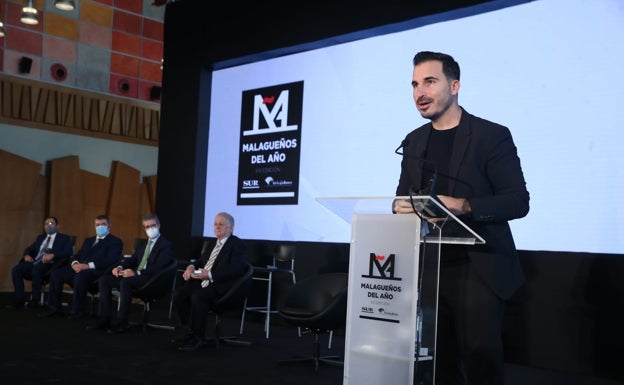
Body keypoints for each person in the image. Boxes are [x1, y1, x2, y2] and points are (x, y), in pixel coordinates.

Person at [393, 51, 529, 385]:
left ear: (455, 86)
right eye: (414, 84)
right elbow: (401, 197)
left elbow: (517, 201)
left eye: (429, 81)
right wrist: (401, 207)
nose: (419, 92)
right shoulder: (413, 141)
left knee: (481, 362)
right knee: (438, 364)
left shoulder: (491, 135)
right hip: (430, 268)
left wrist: (463, 205)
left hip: (479, 267)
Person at [172, 212, 247, 351]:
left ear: (231, 228)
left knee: (198, 296)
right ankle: (189, 331)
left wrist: (211, 275)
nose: (217, 227)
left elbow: (236, 269)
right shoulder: (212, 243)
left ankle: (199, 338)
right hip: (204, 282)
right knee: (179, 294)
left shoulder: (237, 244)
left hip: (222, 286)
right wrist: (191, 266)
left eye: (221, 224)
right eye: (215, 224)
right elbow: (202, 261)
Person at [86, 213, 174, 333]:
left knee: (126, 282)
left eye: (152, 225)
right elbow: (132, 260)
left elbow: (158, 267)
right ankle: (104, 320)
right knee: (105, 279)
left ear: (159, 225)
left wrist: (136, 272)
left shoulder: (166, 245)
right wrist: (120, 267)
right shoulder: (143, 244)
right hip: (137, 276)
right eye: (147, 227)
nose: (150, 229)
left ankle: (122, 323)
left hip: (151, 279)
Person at [38, 214, 123, 320]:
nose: (100, 227)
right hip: (80, 267)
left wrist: (88, 266)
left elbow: (110, 260)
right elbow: (77, 255)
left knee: (80, 276)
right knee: (56, 274)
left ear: (109, 226)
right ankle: (54, 308)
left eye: (103, 224)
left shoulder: (115, 241)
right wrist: (75, 264)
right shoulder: (89, 240)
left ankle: (78, 311)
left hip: (98, 270)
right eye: (97, 224)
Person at [9, 216, 74, 309]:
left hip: (50, 264)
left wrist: (53, 255)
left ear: (58, 226)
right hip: (35, 261)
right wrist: (26, 255)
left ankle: (35, 300)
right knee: (16, 270)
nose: (48, 226)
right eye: (46, 224)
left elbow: (69, 252)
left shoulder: (64, 238)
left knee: (37, 270)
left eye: (51, 223)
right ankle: (20, 300)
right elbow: (29, 249)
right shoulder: (40, 238)